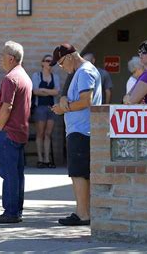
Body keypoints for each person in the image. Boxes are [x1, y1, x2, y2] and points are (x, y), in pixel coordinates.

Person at [50, 43, 102, 226]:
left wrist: (63, 109)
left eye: (62, 63)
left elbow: (86, 101)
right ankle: (84, 212)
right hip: (79, 129)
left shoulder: (84, 72)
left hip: (82, 130)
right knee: (79, 173)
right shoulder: (79, 72)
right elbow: (71, 96)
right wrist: (64, 100)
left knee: (79, 174)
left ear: (70, 56)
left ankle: (83, 214)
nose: (62, 67)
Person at [0, 41, 32, 224]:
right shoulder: (24, 76)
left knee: (9, 174)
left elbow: (7, 106)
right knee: (16, 173)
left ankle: (11, 212)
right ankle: (16, 210)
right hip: (19, 131)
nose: (0, 59)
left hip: (9, 132)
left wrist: (0, 127)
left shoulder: (10, 78)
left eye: (2, 55)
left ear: (11, 58)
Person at [31, 54, 60, 168]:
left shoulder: (55, 76)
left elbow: (56, 92)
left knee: (48, 134)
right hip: (40, 107)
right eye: (47, 61)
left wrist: (43, 90)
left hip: (52, 107)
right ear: (42, 63)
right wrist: (49, 91)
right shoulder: (36, 75)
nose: (50, 63)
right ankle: (40, 158)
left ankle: (47, 159)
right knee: (40, 133)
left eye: (52, 62)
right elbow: (35, 91)